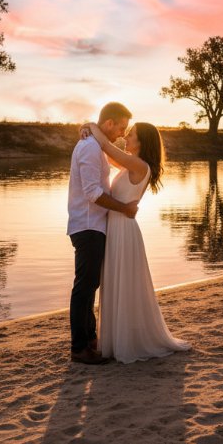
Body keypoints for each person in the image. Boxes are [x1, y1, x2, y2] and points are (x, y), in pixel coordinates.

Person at [81, 120, 191, 363]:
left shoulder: (139, 164)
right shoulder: (131, 164)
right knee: (117, 282)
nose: (126, 138)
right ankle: (117, 339)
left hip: (123, 230)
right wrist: (89, 133)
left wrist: (90, 124)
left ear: (142, 142)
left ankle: (126, 343)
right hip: (117, 227)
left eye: (131, 135)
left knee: (124, 283)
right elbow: (105, 153)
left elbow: (108, 148)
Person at [67, 102, 138, 365]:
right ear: (108, 123)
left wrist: (88, 127)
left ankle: (90, 339)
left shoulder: (95, 145)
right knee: (84, 287)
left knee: (90, 285)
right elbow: (92, 193)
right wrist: (125, 208)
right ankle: (79, 347)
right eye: (120, 127)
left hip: (95, 225)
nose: (121, 134)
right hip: (86, 225)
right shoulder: (88, 147)